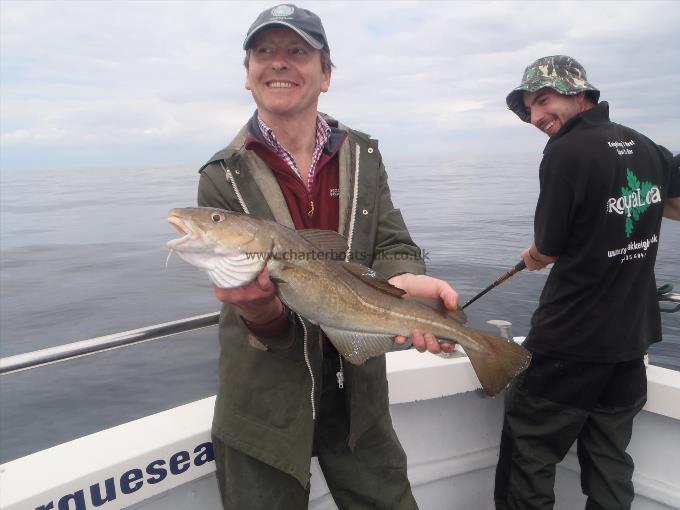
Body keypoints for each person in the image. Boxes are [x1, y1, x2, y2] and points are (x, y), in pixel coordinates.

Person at [196, 4, 459, 509]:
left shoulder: (363, 155)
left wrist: (404, 278)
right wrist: (260, 311)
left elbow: (393, 242)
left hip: (358, 392)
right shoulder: (221, 175)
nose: (279, 62)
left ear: (326, 74)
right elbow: (248, 294)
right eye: (264, 52)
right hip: (265, 398)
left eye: (297, 51)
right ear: (248, 76)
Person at [494, 55, 680, 509]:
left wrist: (532, 257)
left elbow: (549, 247)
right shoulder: (647, 146)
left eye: (543, 101)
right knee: (610, 458)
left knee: (529, 457)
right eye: (528, 111)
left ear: (579, 94)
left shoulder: (564, 152)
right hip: (630, 345)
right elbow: (674, 205)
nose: (537, 117)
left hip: (569, 346)